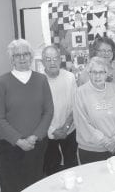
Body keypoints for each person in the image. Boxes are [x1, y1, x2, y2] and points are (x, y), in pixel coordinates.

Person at [0, 39, 53, 192]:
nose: (21, 58)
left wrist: (34, 137)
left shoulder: (41, 80)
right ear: (12, 59)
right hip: (10, 146)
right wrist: (18, 140)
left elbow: (49, 111)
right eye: (17, 55)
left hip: (36, 145)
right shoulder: (2, 82)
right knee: (12, 186)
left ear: (31, 56)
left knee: (35, 185)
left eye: (25, 54)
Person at [73, 57, 115, 164]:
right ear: (89, 73)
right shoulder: (80, 93)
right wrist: (105, 141)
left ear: (107, 73)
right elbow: (82, 123)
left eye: (101, 72)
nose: (97, 76)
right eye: (94, 72)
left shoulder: (114, 88)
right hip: (92, 151)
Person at [42, 45, 78, 176]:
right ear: (42, 62)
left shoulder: (70, 77)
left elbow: (76, 105)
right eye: (48, 59)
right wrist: (52, 130)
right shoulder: (38, 80)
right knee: (51, 168)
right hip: (47, 133)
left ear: (60, 60)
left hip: (69, 130)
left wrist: (66, 127)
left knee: (72, 166)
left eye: (55, 58)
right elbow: (38, 112)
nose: (52, 62)